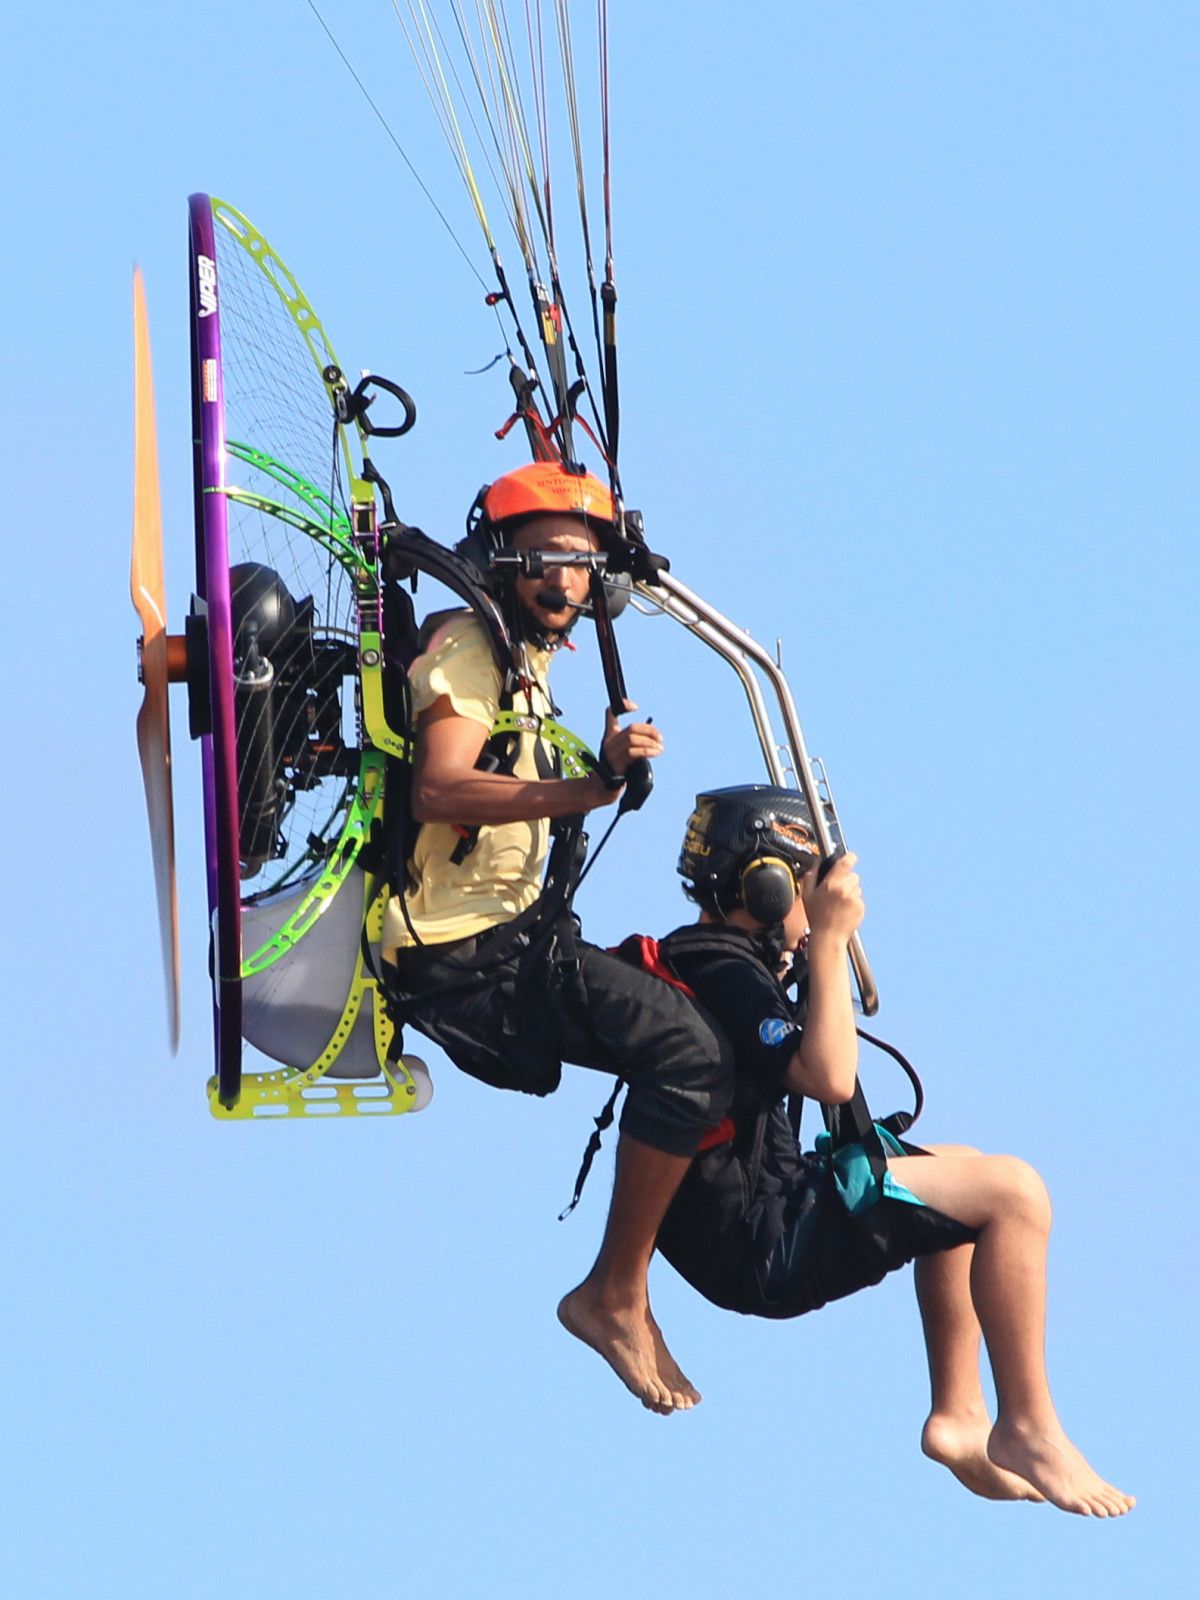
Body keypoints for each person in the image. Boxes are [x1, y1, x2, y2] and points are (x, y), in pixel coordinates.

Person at [646, 784, 1133, 1515]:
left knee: (959, 1166)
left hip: (759, 1214)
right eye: (808, 888)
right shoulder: (724, 970)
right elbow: (830, 1078)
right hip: (762, 1243)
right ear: (768, 887)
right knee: (1016, 1193)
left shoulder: (720, 959)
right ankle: (1029, 1426)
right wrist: (830, 943)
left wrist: (812, 958)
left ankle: (959, 1417)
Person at [381, 462, 733, 1416]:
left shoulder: (525, 662)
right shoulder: (470, 647)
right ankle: (613, 1296)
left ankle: (652, 1272)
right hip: (466, 961)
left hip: (516, 944)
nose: (564, 580)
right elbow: (440, 788)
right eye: (543, 558)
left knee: (716, 1021)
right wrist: (590, 786)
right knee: (687, 1050)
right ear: (500, 561)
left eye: (581, 564)